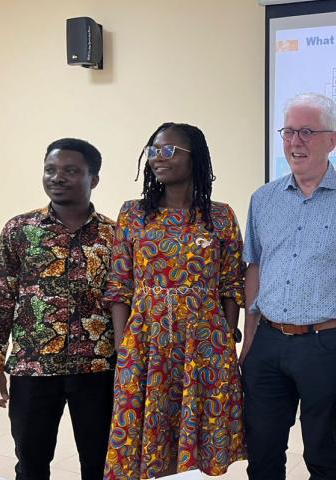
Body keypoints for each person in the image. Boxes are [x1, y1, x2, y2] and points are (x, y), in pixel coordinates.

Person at [240, 93, 336, 479]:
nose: (295, 142)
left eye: (307, 132)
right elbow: (254, 266)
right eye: (289, 132)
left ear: (332, 140)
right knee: (262, 447)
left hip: (329, 344)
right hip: (268, 342)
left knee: (322, 450)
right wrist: (249, 339)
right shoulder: (264, 199)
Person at [103, 122, 246, 479]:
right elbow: (120, 285)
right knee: (147, 431)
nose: (157, 158)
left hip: (204, 343)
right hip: (146, 341)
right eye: (153, 150)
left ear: (193, 157)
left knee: (198, 435)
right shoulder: (133, 214)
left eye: (168, 150)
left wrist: (225, 339)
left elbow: (231, 285)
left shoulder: (220, 216)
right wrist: (124, 344)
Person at [0, 138, 115, 480]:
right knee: (31, 463)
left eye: (70, 171)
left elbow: (125, 301)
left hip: (97, 368)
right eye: (50, 170)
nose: (57, 177)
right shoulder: (19, 229)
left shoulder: (115, 235)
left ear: (93, 179)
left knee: (100, 463)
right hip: (32, 368)